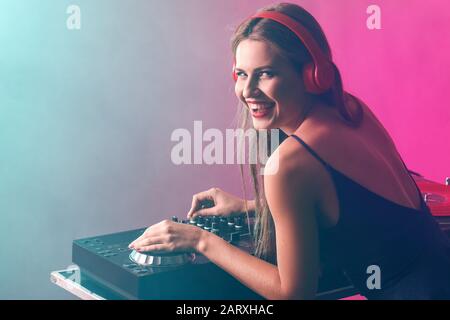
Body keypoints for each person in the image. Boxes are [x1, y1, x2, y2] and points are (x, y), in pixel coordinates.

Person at [129, 3, 450, 299]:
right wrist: (251, 206)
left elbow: (292, 293)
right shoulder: (350, 108)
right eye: (241, 74)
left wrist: (201, 240)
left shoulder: (289, 165)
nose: (248, 91)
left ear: (312, 75)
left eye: (266, 73)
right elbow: (358, 209)